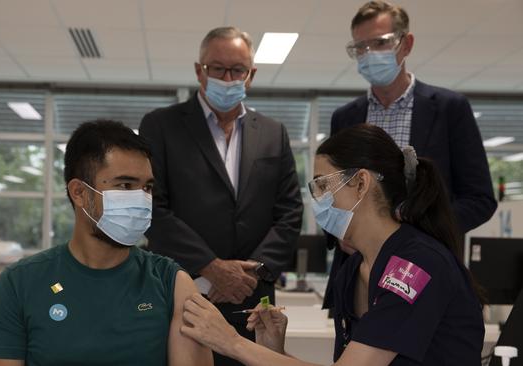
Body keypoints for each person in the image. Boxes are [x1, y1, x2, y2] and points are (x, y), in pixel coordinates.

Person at [181, 124, 485, 366]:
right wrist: (275, 350)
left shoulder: (415, 266)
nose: (318, 198)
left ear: (361, 183)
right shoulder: (353, 268)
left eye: (322, 184)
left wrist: (231, 342)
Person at [0, 120, 213, 366]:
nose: (141, 199)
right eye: (125, 185)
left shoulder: (171, 283)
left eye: (147, 187)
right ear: (79, 192)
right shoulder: (20, 283)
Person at [139, 26, 304, 365]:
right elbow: (153, 207)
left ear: (251, 75)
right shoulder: (162, 125)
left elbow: (289, 212)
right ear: (200, 70)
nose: (228, 78)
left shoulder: (273, 133)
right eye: (217, 68)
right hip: (185, 293)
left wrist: (252, 273)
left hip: (253, 304)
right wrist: (211, 268)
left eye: (238, 70)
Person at [324, 0, 497, 309]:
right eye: (360, 48)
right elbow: (332, 194)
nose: (370, 54)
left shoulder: (449, 109)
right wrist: (340, 232)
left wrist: (423, 227)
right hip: (357, 275)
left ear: (407, 44)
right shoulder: (345, 118)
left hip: (427, 270)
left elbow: (479, 199)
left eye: (380, 43)